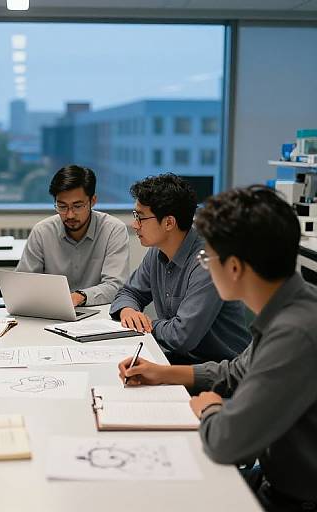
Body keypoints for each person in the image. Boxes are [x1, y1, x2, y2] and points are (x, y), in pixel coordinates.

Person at [118, 185, 317, 511]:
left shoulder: (295, 333)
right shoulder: (289, 308)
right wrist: (162, 374)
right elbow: (235, 371)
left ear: (235, 267)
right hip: (274, 478)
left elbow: (227, 442)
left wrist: (209, 407)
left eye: (207, 256)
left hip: (295, 497)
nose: (204, 263)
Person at [110, 173, 250, 364]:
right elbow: (129, 292)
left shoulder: (208, 261)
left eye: (140, 217)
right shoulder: (157, 252)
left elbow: (181, 337)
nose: (135, 225)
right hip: (181, 360)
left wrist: (147, 323)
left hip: (220, 370)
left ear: (169, 222)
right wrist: (128, 312)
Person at [16, 164, 129, 306]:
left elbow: (116, 286)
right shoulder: (43, 231)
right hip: (51, 312)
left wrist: (80, 297)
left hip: (99, 314)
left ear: (92, 201)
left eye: (77, 206)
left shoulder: (113, 230)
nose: (69, 215)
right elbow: (23, 283)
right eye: (62, 206)